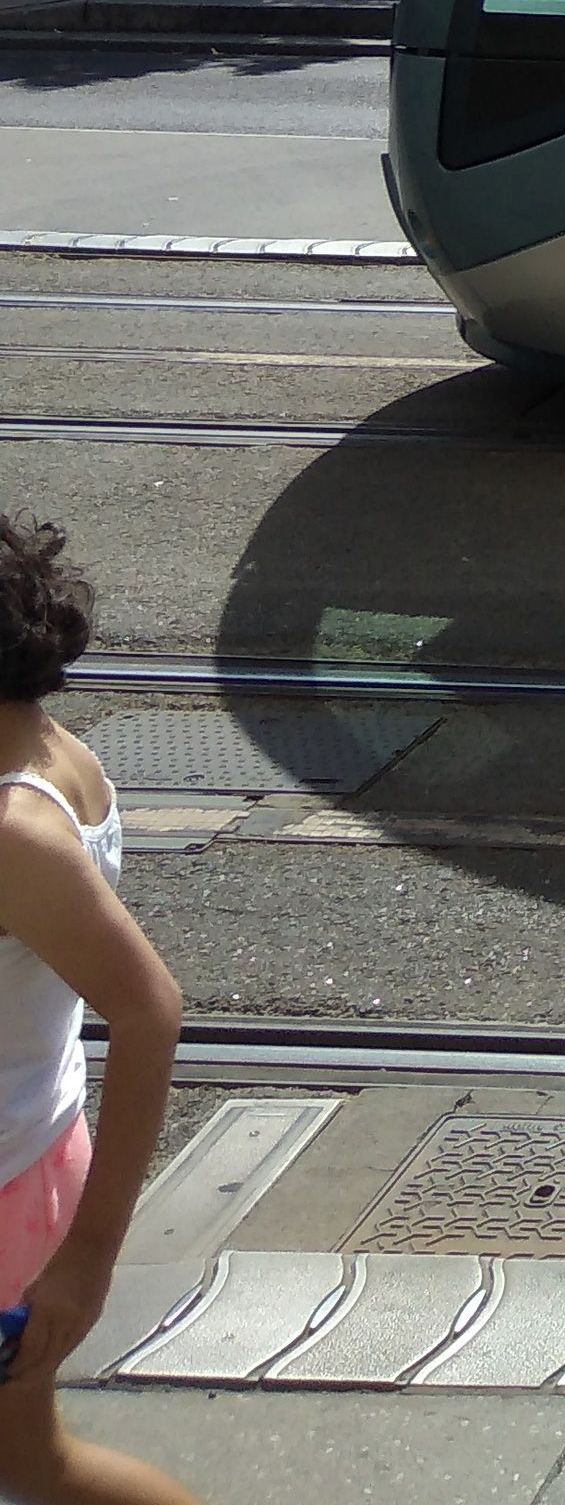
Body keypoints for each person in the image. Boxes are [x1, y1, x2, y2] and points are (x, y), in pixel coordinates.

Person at [0, 515, 203, 1505]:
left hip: (11, 1185)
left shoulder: (15, 831)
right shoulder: (44, 744)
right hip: (31, 1150)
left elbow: (149, 1010)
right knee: (33, 1465)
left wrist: (88, 1260)